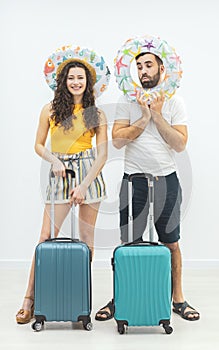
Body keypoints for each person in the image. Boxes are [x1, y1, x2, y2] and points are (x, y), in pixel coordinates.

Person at [95, 51, 200, 321]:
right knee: (127, 244)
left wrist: (157, 115)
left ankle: (178, 299)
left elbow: (179, 144)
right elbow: (117, 140)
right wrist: (142, 117)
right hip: (134, 180)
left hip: (167, 179)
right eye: (139, 66)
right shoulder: (126, 101)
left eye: (148, 65)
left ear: (161, 69)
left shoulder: (176, 102)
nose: (142, 70)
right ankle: (120, 297)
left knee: (171, 243)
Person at [16, 53, 108, 324]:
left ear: (88, 82)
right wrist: (54, 160)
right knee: (45, 237)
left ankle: (77, 297)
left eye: (81, 78)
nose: (76, 82)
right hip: (60, 172)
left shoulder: (95, 112)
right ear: (63, 81)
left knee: (86, 243)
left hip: (89, 174)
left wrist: (84, 185)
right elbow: (38, 145)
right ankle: (29, 299)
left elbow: (102, 154)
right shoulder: (50, 109)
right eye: (71, 78)